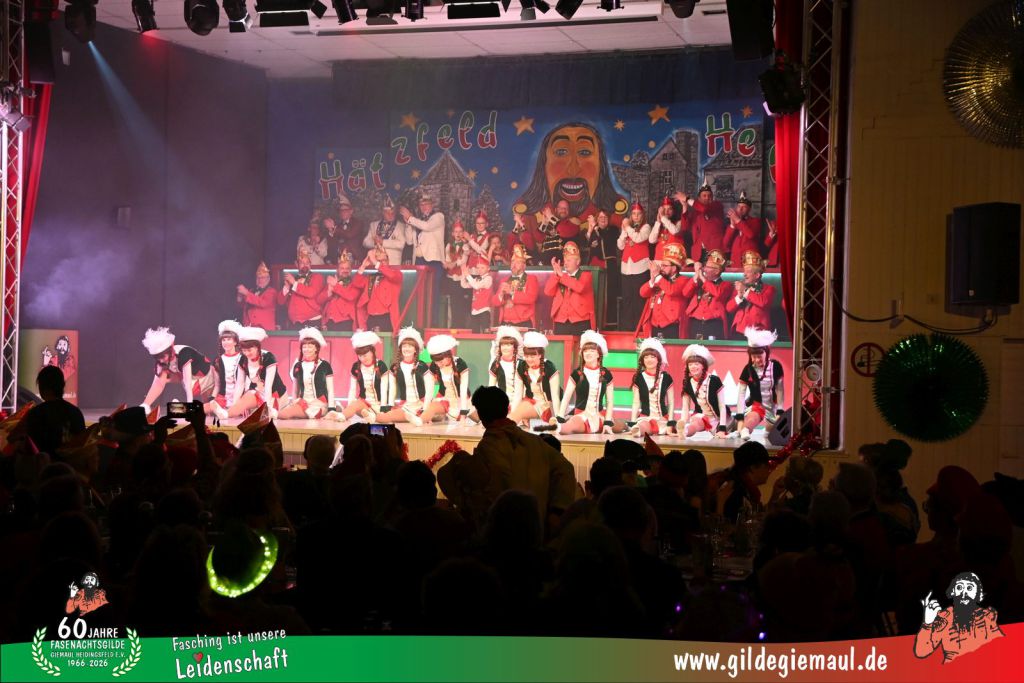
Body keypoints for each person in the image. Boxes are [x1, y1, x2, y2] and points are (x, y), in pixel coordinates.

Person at [470, 385, 578, 532]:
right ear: (507, 409)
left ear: (480, 415)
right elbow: (566, 469)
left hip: (504, 531)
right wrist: (556, 511)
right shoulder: (534, 441)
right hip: (536, 529)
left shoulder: (487, 448)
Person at [512, 121, 628, 228]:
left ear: (600, 165)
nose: (573, 169)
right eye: (561, 152)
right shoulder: (529, 215)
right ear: (544, 164)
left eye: (584, 152)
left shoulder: (613, 213)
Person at [915, 572, 1004, 663]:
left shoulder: (986, 616)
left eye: (969, 588)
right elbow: (921, 652)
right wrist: (927, 622)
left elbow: (1001, 648)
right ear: (952, 592)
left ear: (978, 594)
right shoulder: (945, 618)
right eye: (959, 587)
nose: (963, 593)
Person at [557, 330, 627, 435]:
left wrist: (607, 422)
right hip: (581, 416)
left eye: (592, 351)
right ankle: (557, 427)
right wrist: (560, 418)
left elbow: (610, 401)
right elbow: (566, 398)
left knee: (619, 426)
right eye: (585, 351)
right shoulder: (577, 374)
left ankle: (628, 426)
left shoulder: (606, 374)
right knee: (569, 426)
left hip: (600, 416)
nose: (588, 353)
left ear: (598, 354)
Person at [140, 327, 216, 414]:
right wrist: (145, 405)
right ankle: (145, 406)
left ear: (170, 351)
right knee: (161, 377)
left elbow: (187, 384)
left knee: (211, 407)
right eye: (157, 357)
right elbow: (158, 383)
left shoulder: (184, 354)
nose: (161, 360)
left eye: (162, 357)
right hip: (191, 378)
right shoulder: (162, 362)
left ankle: (183, 409)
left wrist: (190, 405)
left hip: (207, 377)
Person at [400, 191, 446, 325]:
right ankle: (420, 323)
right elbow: (409, 241)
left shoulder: (438, 217)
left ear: (432, 205)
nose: (424, 207)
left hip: (433, 260)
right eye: (421, 205)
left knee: (433, 292)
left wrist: (410, 218)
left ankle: (433, 324)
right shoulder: (417, 221)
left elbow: (427, 227)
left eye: (427, 204)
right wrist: (408, 224)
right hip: (419, 260)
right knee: (420, 293)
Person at [734, 327, 786, 440]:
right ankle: (744, 429)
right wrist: (740, 417)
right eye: (754, 356)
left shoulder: (776, 366)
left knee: (771, 435)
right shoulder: (748, 369)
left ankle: (767, 431)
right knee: (751, 420)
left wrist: (780, 410)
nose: (757, 360)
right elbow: (741, 394)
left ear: (766, 353)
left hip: (773, 406)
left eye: (759, 356)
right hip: (757, 405)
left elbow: (780, 389)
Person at [277, 328, 339, 420]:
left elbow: (330, 390)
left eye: (310, 346)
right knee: (283, 413)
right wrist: (294, 402)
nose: (306, 349)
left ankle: (330, 410)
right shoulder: (298, 365)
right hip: (303, 403)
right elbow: (295, 390)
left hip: (320, 405)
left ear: (316, 348)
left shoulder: (325, 365)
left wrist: (331, 409)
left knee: (284, 414)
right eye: (304, 347)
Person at [378, 327, 434, 427]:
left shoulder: (422, 366)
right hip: (405, 406)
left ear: (415, 350)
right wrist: (390, 405)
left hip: (422, 404)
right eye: (404, 346)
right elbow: (392, 389)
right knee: (382, 417)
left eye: (410, 346)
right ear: (400, 348)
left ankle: (420, 417)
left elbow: (430, 389)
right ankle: (372, 417)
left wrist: (425, 409)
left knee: (436, 414)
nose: (406, 349)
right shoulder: (395, 367)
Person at [25, 365, 86, 456]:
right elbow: (82, 445)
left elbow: (30, 447)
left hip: (43, 463)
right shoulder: (75, 412)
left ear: (42, 388)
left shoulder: (36, 414)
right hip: (71, 463)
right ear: (62, 386)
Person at [508, 331, 561, 429]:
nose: (529, 359)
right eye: (526, 356)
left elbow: (555, 396)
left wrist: (558, 417)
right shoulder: (521, 367)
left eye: (532, 356)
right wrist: (513, 413)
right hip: (531, 402)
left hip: (548, 405)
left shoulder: (549, 367)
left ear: (540, 355)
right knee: (517, 412)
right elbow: (517, 395)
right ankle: (508, 426)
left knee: (521, 411)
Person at [233, 326, 286, 419]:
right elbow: (239, 384)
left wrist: (267, 408)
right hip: (256, 393)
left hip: (274, 395)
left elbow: (268, 386)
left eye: (249, 350)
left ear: (257, 347)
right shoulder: (243, 359)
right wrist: (235, 406)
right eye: (244, 350)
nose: (247, 353)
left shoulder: (268, 357)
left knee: (263, 418)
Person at [544, 241, 595, 336]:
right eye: (565, 261)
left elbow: (579, 287)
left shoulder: (586, 275)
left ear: (578, 261)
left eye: (569, 260)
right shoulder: (560, 276)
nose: (565, 264)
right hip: (561, 321)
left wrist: (561, 275)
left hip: (580, 321)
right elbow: (548, 291)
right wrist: (555, 274)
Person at [678, 344, 729, 438]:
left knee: (723, 437)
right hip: (701, 416)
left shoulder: (714, 380)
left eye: (696, 364)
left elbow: (722, 406)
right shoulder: (687, 382)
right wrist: (683, 421)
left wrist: (722, 428)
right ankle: (684, 431)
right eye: (690, 364)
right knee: (695, 424)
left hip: (719, 419)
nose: (693, 367)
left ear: (703, 366)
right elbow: (685, 408)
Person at [638, 242, 688, 339]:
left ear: (674, 268)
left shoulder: (683, 280)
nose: (662, 268)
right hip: (655, 325)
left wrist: (657, 276)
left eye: (665, 266)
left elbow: (671, 290)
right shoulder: (659, 279)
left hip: (672, 326)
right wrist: (652, 279)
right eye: (661, 265)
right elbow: (642, 293)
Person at [616, 203, 652, 332]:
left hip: (640, 267)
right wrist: (623, 231)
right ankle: (627, 328)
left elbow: (638, 238)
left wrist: (627, 227)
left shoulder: (646, 227)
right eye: (634, 214)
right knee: (627, 299)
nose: (636, 216)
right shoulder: (628, 228)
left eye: (638, 214)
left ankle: (639, 328)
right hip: (626, 268)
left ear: (642, 216)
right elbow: (620, 245)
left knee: (638, 300)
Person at [340, 331, 390, 424]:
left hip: (378, 405)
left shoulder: (381, 365)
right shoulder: (356, 366)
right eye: (360, 356)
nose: (363, 358)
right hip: (362, 404)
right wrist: (349, 407)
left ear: (372, 352)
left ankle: (371, 416)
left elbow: (384, 389)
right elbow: (352, 389)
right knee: (357, 404)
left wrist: (383, 408)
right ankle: (342, 415)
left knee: (378, 416)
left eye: (365, 355)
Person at [629, 338, 675, 437]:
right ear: (642, 360)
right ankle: (637, 430)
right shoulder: (638, 377)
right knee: (643, 425)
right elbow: (636, 402)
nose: (649, 360)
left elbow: (671, 403)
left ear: (658, 359)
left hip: (663, 419)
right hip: (645, 418)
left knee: (662, 428)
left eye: (652, 357)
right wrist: (632, 422)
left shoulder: (666, 377)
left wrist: (670, 423)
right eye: (646, 357)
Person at [681, 248, 731, 340]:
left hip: (714, 324)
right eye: (705, 266)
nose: (704, 269)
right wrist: (697, 274)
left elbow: (718, 293)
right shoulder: (699, 282)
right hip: (696, 323)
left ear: (717, 271)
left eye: (708, 267)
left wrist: (703, 278)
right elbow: (685, 293)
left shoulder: (726, 285)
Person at [581, 210, 620, 326]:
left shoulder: (613, 230)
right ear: (597, 219)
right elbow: (585, 245)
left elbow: (606, 240)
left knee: (608, 295)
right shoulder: (594, 230)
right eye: (600, 217)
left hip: (608, 266)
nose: (603, 219)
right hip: (593, 267)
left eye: (605, 217)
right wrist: (590, 230)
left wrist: (594, 227)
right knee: (592, 294)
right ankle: (591, 321)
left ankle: (607, 324)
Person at [420, 334, 471, 424]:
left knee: (477, 418)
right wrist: (425, 410)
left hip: (461, 400)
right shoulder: (434, 365)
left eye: (440, 361)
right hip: (444, 398)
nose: (438, 364)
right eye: (436, 361)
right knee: (432, 408)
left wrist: (463, 412)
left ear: (448, 355)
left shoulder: (460, 364)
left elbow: (463, 389)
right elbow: (429, 389)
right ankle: (420, 420)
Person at [677, 177, 726, 263]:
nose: (707, 198)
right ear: (699, 198)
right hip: (698, 252)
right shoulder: (695, 212)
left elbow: (704, 209)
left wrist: (687, 199)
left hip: (715, 252)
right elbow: (685, 227)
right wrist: (684, 206)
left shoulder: (717, 206)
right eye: (704, 195)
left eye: (709, 195)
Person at [727, 251, 776, 335]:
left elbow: (763, 302)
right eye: (744, 271)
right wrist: (739, 296)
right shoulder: (740, 287)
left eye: (748, 272)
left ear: (757, 275)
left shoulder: (769, 289)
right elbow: (729, 308)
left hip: (759, 332)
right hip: (739, 331)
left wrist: (745, 291)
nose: (744, 274)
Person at [356, 246, 403, 333]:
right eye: (379, 261)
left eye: (383, 260)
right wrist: (363, 266)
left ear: (388, 261)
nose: (381, 263)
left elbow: (391, 275)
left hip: (386, 318)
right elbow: (356, 284)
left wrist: (375, 262)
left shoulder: (397, 274)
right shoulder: (371, 277)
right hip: (371, 318)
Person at [492, 245, 539, 328]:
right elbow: (495, 302)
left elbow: (531, 298)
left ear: (524, 266)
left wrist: (512, 292)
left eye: (518, 262)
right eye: (512, 262)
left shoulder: (531, 279)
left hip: (524, 323)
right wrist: (501, 294)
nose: (514, 264)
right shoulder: (504, 280)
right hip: (505, 324)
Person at [277, 250, 326, 330]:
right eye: (302, 263)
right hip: (294, 323)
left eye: (307, 263)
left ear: (310, 264)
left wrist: (294, 283)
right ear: (297, 264)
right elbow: (280, 301)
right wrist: (286, 287)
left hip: (312, 321)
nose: (305, 265)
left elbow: (311, 293)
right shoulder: (293, 279)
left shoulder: (317, 277)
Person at [321, 250, 368, 332]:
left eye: (347, 268)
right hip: (329, 322)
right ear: (337, 270)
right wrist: (329, 291)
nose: (345, 270)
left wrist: (336, 285)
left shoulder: (355, 283)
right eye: (342, 268)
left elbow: (350, 296)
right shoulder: (332, 282)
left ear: (351, 270)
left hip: (346, 323)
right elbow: (319, 300)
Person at [209, 320, 245, 420]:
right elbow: (217, 385)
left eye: (229, 339)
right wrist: (212, 399)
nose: (225, 342)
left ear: (235, 342)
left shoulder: (242, 358)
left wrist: (236, 403)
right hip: (223, 399)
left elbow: (243, 383)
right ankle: (184, 409)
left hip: (239, 398)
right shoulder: (217, 360)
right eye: (223, 340)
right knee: (205, 408)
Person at [363, 194, 409, 266]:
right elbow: (365, 243)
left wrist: (383, 242)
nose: (390, 215)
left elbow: (401, 244)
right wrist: (376, 243)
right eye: (388, 213)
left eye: (392, 213)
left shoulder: (401, 226)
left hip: (393, 263)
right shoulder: (374, 225)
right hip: (376, 263)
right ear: (383, 212)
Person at [488, 326, 525, 412]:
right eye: (503, 345)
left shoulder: (521, 364)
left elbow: (523, 390)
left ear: (514, 348)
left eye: (508, 345)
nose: (505, 348)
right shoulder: (496, 364)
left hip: (519, 403)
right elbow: (491, 387)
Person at [443, 218, 471, 328]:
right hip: (452, 278)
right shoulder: (449, 245)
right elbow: (446, 261)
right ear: (452, 233)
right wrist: (449, 264)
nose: (458, 234)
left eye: (460, 232)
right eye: (456, 232)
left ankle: (462, 326)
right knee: (454, 303)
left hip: (462, 278)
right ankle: (454, 326)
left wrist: (453, 264)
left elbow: (463, 260)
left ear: (463, 233)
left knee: (461, 303)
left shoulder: (465, 245)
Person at [725, 192, 763, 267]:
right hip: (735, 262)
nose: (740, 209)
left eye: (744, 207)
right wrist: (732, 225)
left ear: (749, 209)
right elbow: (725, 243)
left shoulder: (756, 221)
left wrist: (737, 220)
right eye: (739, 206)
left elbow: (750, 235)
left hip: (750, 261)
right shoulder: (732, 222)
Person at [237, 262, 277, 332]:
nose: (260, 280)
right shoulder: (252, 291)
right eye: (258, 278)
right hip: (249, 327)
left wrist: (246, 293)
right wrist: (240, 296)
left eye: (263, 278)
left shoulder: (272, 292)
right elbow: (243, 306)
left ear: (268, 279)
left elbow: (263, 303)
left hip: (264, 328)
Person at [461, 255, 494, 333]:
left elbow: (476, 286)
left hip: (484, 310)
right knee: (475, 333)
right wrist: (463, 273)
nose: (480, 270)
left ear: (488, 268)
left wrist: (467, 275)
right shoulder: (476, 279)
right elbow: (464, 285)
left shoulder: (488, 278)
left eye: (482, 268)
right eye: (478, 268)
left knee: (486, 333)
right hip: (474, 310)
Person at [332, 194, 367, 263]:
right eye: (341, 211)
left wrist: (333, 228)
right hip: (340, 258)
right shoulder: (338, 226)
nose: (342, 212)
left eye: (345, 210)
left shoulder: (358, 223)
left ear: (351, 211)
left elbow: (349, 234)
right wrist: (331, 230)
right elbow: (334, 242)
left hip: (355, 258)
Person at [649, 195, 683, 260]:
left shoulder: (679, 223)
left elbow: (675, 231)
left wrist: (662, 217)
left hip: (673, 261)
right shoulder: (659, 225)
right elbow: (651, 240)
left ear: (674, 210)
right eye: (664, 209)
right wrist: (658, 222)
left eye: (669, 209)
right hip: (659, 260)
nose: (666, 212)